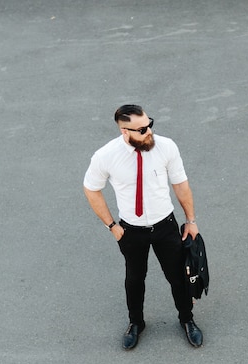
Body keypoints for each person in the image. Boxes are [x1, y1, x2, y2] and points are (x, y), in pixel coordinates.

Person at [83, 104, 203, 350]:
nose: (149, 132)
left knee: (177, 276)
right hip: (131, 230)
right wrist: (112, 226)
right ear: (124, 132)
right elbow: (91, 188)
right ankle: (136, 323)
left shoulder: (166, 147)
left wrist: (190, 221)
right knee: (135, 278)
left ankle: (187, 319)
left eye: (149, 124)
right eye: (141, 129)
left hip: (165, 226)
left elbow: (180, 185)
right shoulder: (106, 156)